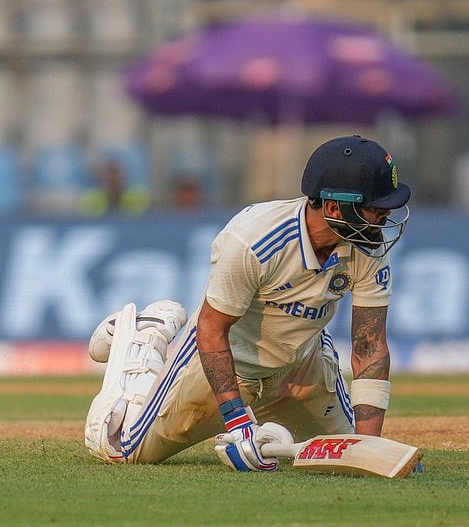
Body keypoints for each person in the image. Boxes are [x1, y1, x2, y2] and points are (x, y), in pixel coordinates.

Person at [83, 136, 411, 471]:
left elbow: (369, 346)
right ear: (332, 207)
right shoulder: (256, 240)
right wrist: (239, 423)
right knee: (119, 448)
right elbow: (211, 327)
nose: (384, 218)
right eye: (375, 208)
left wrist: (370, 449)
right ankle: (143, 340)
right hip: (228, 363)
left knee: (343, 457)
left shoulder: (367, 245)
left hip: (302, 363)